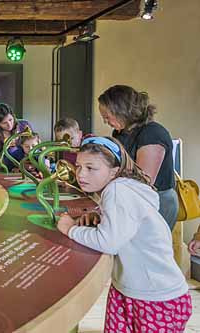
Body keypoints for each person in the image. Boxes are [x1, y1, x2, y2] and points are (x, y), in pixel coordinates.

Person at [57, 136, 191, 333]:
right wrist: (99, 216)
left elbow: (109, 242)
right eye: (78, 166)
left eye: (91, 168)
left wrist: (71, 229)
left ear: (113, 171)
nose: (80, 174)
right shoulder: (123, 187)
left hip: (155, 297)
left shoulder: (117, 190)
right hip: (130, 290)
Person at [98, 85, 178, 230]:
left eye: (107, 117)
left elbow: (143, 181)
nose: (105, 121)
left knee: (148, 250)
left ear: (122, 111)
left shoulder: (152, 133)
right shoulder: (119, 133)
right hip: (132, 196)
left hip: (157, 200)